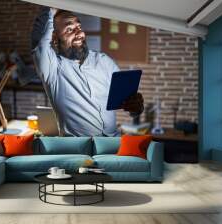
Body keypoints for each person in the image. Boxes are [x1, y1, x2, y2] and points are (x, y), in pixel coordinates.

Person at [31, 7, 144, 137]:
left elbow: (130, 105)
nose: (79, 33)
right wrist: (53, 7)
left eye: (79, 27)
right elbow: (39, 41)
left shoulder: (104, 61)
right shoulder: (53, 68)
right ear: (55, 38)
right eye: (69, 30)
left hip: (113, 143)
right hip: (79, 150)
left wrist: (136, 108)